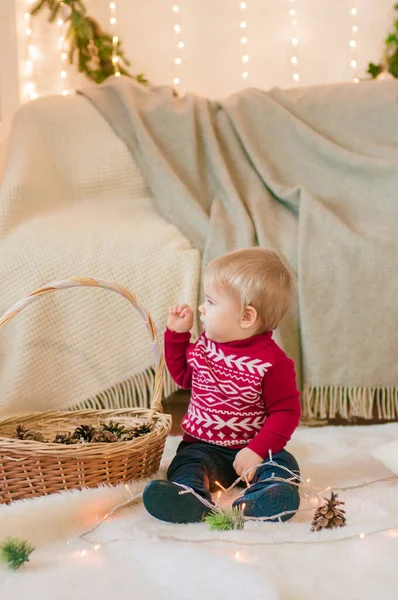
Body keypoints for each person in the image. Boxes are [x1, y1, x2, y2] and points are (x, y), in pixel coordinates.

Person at [143, 248, 301, 524]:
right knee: (186, 463)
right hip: (203, 447)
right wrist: (177, 336)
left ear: (246, 317)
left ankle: (267, 496)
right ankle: (190, 496)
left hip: (252, 449)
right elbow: (184, 377)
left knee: (283, 465)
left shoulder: (272, 363)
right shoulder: (206, 347)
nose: (202, 308)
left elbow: (286, 412)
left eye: (211, 302)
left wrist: (257, 450)